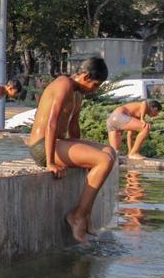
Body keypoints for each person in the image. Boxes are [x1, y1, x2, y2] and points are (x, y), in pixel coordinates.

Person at [27, 57, 116, 245]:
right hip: (42, 147)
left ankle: (86, 214)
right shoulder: (63, 84)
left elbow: (74, 128)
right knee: (104, 160)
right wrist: (50, 162)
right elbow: (52, 123)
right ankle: (78, 215)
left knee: (110, 152)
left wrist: (86, 157)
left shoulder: (77, 93)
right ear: (84, 76)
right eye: (95, 84)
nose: (95, 90)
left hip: (59, 143)